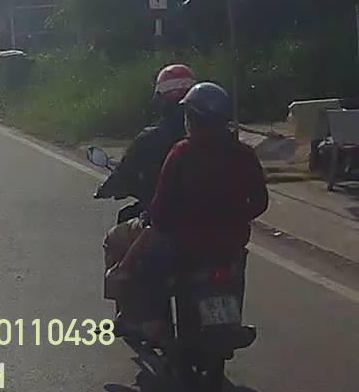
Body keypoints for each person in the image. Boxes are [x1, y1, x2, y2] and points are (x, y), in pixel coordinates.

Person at [118, 82, 269, 340]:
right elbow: (260, 201)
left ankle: (151, 322)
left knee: (142, 263)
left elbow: (161, 207)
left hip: (185, 244)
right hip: (230, 242)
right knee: (234, 271)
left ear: (194, 119)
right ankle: (232, 323)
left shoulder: (182, 153)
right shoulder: (243, 154)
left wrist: (160, 223)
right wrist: (233, 219)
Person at [99, 64, 194, 322]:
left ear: (161, 100)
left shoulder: (153, 139)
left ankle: (128, 312)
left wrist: (108, 188)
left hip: (164, 224)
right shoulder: (218, 141)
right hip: (211, 226)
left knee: (116, 239)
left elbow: (125, 173)